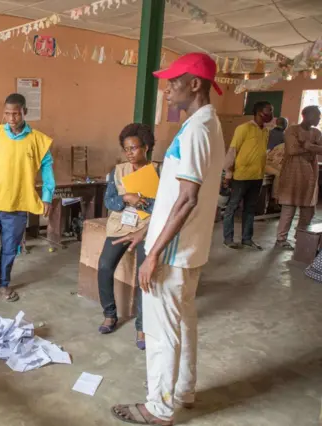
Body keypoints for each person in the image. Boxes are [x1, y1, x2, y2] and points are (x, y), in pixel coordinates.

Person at [110, 52, 225, 425]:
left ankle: (157, 409)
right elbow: (177, 197)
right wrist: (146, 229)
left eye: (175, 81)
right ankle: (183, 391)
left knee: (161, 332)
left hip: (173, 254)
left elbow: (188, 199)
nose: (168, 88)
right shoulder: (205, 125)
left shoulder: (197, 130)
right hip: (186, 250)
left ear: (195, 84)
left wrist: (153, 252)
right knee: (184, 323)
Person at [0, 93, 55, 304]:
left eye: (16, 114)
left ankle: (4, 284)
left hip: (19, 204)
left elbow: (47, 170)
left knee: (10, 248)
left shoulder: (37, 140)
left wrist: (46, 197)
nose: (11, 118)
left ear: (24, 112)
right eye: (7, 113)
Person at [97, 123, 158, 351]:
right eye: (126, 149)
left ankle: (142, 327)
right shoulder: (118, 171)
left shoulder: (157, 172)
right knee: (104, 267)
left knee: (144, 278)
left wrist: (142, 201)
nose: (130, 153)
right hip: (120, 226)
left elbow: (161, 207)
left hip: (146, 228)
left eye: (134, 148)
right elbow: (109, 201)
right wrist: (126, 199)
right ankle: (110, 315)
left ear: (146, 147)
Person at [222, 100, 274, 250]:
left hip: (257, 177)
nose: (271, 114)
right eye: (268, 110)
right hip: (240, 176)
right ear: (258, 112)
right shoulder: (243, 128)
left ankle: (247, 239)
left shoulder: (266, 131)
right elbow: (233, 151)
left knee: (250, 209)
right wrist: (228, 174)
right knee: (232, 207)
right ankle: (228, 239)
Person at [275, 105, 322, 249]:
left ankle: (300, 237)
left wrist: (307, 146)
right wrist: (311, 147)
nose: (319, 118)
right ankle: (281, 239)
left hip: (310, 177)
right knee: (289, 209)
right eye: (317, 115)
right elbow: (292, 149)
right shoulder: (292, 130)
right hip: (293, 175)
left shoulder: (316, 132)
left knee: (308, 211)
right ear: (305, 115)